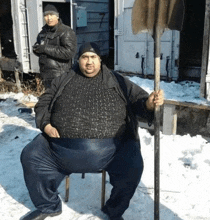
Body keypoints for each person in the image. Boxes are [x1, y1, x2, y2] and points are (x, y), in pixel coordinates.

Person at [21, 42, 164, 220]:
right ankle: (48, 206)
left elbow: (139, 101)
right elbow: (43, 103)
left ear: (100, 59)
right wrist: (46, 125)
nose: (89, 62)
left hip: (112, 150)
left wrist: (150, 104)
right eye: (85, 57)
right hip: (60, 149)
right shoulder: (63, 79)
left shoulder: (118, 80)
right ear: (78, 60)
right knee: (31, 154)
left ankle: (114, 211)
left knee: (133, 165)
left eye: (93, 57)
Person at [33, 4, 77, 89]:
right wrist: (37, 49)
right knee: (50, 101)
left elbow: (69, 52)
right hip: (45, 75)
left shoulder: (66, 31)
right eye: (46, 15)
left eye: (52, 15)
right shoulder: (43, 32)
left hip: (60, 75)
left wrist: (45, 48)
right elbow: (41, 49)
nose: (49, 18)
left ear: (57, 16)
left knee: (60, 100)